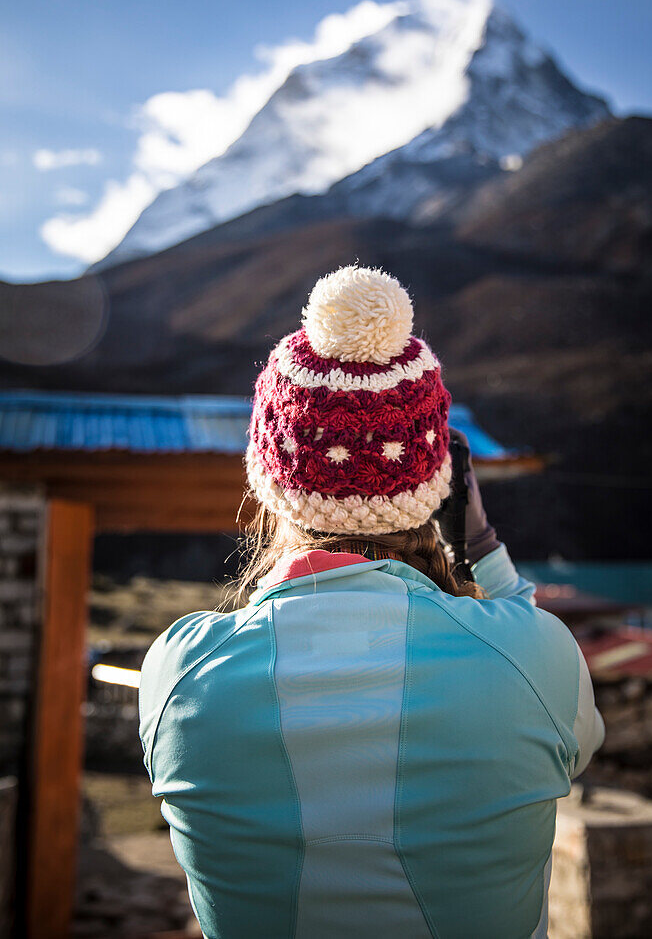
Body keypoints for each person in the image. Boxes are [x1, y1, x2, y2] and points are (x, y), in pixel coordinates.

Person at [139, 265, 604, 939]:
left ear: (269, 481)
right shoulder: (531, 659)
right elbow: (574, 733)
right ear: (437, 483)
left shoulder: (179, 672)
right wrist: (485, 553)